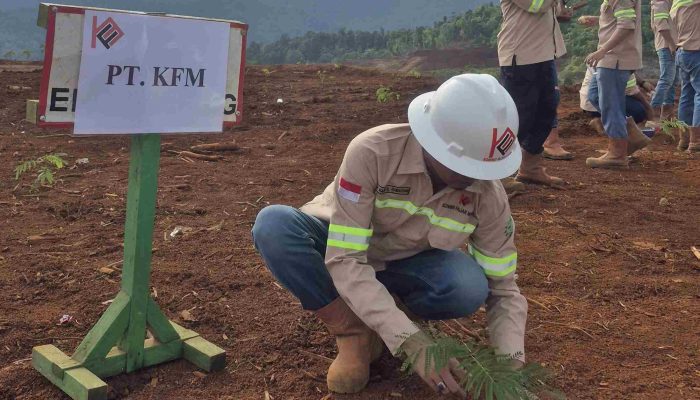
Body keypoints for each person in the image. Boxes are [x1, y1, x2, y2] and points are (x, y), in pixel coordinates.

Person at [252, 75, 527, 396]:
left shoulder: (487, 194)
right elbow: (345, 257)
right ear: (433, 143)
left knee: (467, 287)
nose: (476, 178)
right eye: (466, 167)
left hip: (402, 263)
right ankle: (353, 332)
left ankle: (389, 315)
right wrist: (411, 343)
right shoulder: (373, 152)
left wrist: (511, 368)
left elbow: (504, 289)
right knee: (274, 226)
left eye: (485, 170)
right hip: (340, 245)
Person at [498, 0, 567, 185]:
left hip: (543, 55)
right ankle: (497, 173)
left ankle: (530, 168)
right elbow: (537, 5)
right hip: (520, 57)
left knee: (546, 112)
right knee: (518, 118)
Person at [583, 0, 649, 169]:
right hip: (611, 59)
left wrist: (603, 50)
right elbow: (619, 19)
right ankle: (626, 141)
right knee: (600, 99)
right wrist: (599, 19)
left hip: (614, 59)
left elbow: (626, 25)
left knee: (611, 105)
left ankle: (617, 154)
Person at [671, 0, 700, 152]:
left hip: (682, 51)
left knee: (686, 95)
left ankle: (684, 140)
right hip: (696, 51)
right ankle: (696, 142)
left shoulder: (677, 3)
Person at [650, 0, 680, 122]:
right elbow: (661, 25)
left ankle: (667, 113)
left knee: (673, 80)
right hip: (667, 45)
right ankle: (653, 112)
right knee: (667, 79)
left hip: (674, 45)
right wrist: (672, 44)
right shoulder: (660, 1)